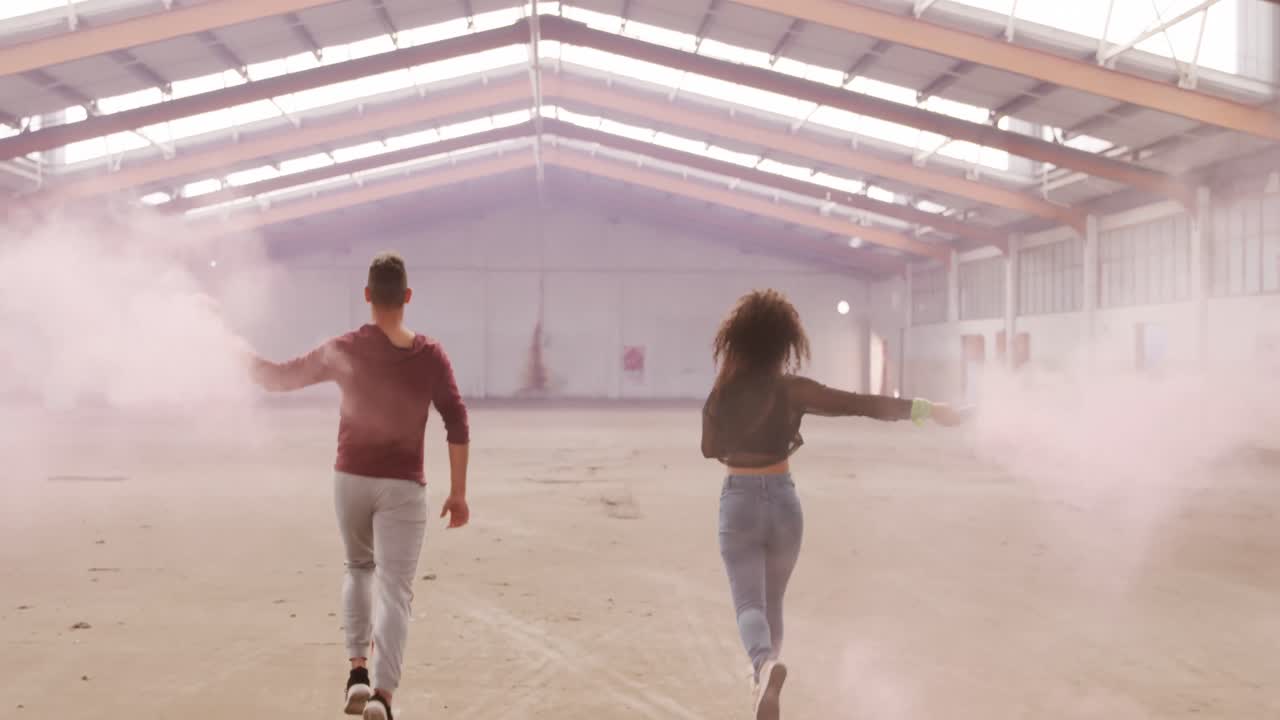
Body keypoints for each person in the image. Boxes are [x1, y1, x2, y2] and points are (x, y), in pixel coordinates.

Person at [700, 289, 965, 720]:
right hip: (784, 501)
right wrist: (928, 408)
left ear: (736, 340)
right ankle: (763, 682)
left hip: (740, 501)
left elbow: (709, 450)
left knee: (748, 604)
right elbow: (860, 405)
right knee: (773, 604)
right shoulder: (793, 389)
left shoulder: (723, 392)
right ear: (786, 342)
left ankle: (763, 666)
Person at [249, 252, 470, 720]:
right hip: (403, 486)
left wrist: (235, 356)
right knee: (396, 591)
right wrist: (458, 491)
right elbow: (457, 421)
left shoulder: (346, 347)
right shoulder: (430, 355)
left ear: (367, 296)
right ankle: (382, 698)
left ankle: (356, 673)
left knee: (357, 568)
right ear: (407, 297)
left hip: (350, 478)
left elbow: (280, 378)